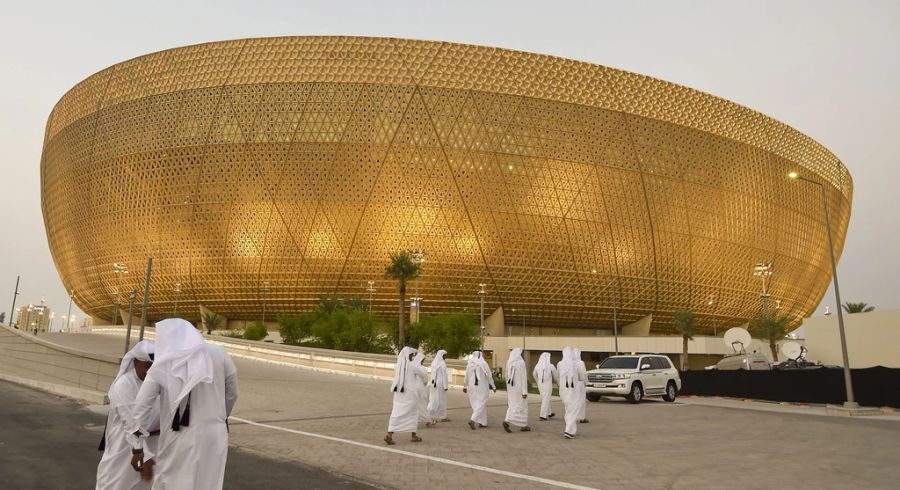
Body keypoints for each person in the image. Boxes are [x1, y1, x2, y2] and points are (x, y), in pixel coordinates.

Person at [129, 318, 239, 490]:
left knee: (173, 482)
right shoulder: (220, 354)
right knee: (208, 483)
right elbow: (232, 393)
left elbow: (142, 405)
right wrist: (219, 416)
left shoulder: (164, 361)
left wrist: (137, 447)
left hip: (179, 436)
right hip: (214, 435)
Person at [96, 340, 158, 489]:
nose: (149, 371)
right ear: (135, 362)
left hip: (152, 445)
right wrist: (143, 454)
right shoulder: (124, 385)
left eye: (153, 367)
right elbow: (132, 424)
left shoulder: (155, 382)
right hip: (125, 447)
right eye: (146, 366)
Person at [385, 346, 423, 445]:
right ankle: (413, 436)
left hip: (398, 394)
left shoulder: (397, 366)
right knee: (413, 413)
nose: (412, 357)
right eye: (412, 355)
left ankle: (389, 434)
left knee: (396, 413)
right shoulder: (412, 366)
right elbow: (422, 373)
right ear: (408, 355)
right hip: (410, 395)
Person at [463, 350, 495, 429]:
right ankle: (473, 419)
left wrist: (465, 386)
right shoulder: (483, 364)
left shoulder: (469, 364)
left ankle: (482, 422)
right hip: (482, 386)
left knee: (476, 404)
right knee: (481, 403)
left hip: (472, 386)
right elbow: (489, 376)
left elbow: (466, 375)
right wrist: (493, 386)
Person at [502, 347, 531, 433]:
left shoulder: (508, 362)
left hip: (511, 388)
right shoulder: (521, 362)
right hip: (519, 388)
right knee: (521, 406)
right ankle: (509, 421)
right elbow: (523, 377)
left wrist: (508, 389)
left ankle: (522, 425)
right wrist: (524, 391)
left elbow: (506, 376)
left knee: (512, 405)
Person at [557, 347, 582, 439]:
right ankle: (568, 430)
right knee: (573, 409)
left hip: (563, 390)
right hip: (573, 391)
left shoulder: (559, 364)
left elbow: (558, 376)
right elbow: (582, 376)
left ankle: (571, 430)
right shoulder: (576, 364)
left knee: (568, 410)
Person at [426, 349, 450, 426]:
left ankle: (442, 416)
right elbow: (444, 376)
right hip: (440, 384)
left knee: (433, 398)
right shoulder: (442, 364)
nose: (445, 357)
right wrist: (446, 386)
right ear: (442, 356)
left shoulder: (434, 363)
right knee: (439, 400)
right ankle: (432, 416)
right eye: (445, 355)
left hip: (433, 383)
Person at [532, 352, 558, 421]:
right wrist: (558, 383)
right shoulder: (551, 366)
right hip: (547, 384)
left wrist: (538, 382)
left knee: (545, 398)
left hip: (540, 384)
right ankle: (542, 415)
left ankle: (549, 413)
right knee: (546, 398)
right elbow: (556, 376)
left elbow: (534, 374)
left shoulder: (537, 365)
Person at [413, 352, 430, 425]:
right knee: (422, 403)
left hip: (413, 387)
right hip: (421, 387)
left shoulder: (413, 367)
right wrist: (425, 383)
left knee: (415, 404)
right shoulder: (422, 368)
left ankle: (416, 419)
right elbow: (425, 379)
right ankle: (427, 419)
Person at [573, 348, 589, 423]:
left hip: (571, 384)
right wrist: (586, 382)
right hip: (579, 383)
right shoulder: (580, 362)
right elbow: (583, 374)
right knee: (581, 400)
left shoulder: (569, 362)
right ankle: (581, 417)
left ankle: (572, 416)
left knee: (572, 400)